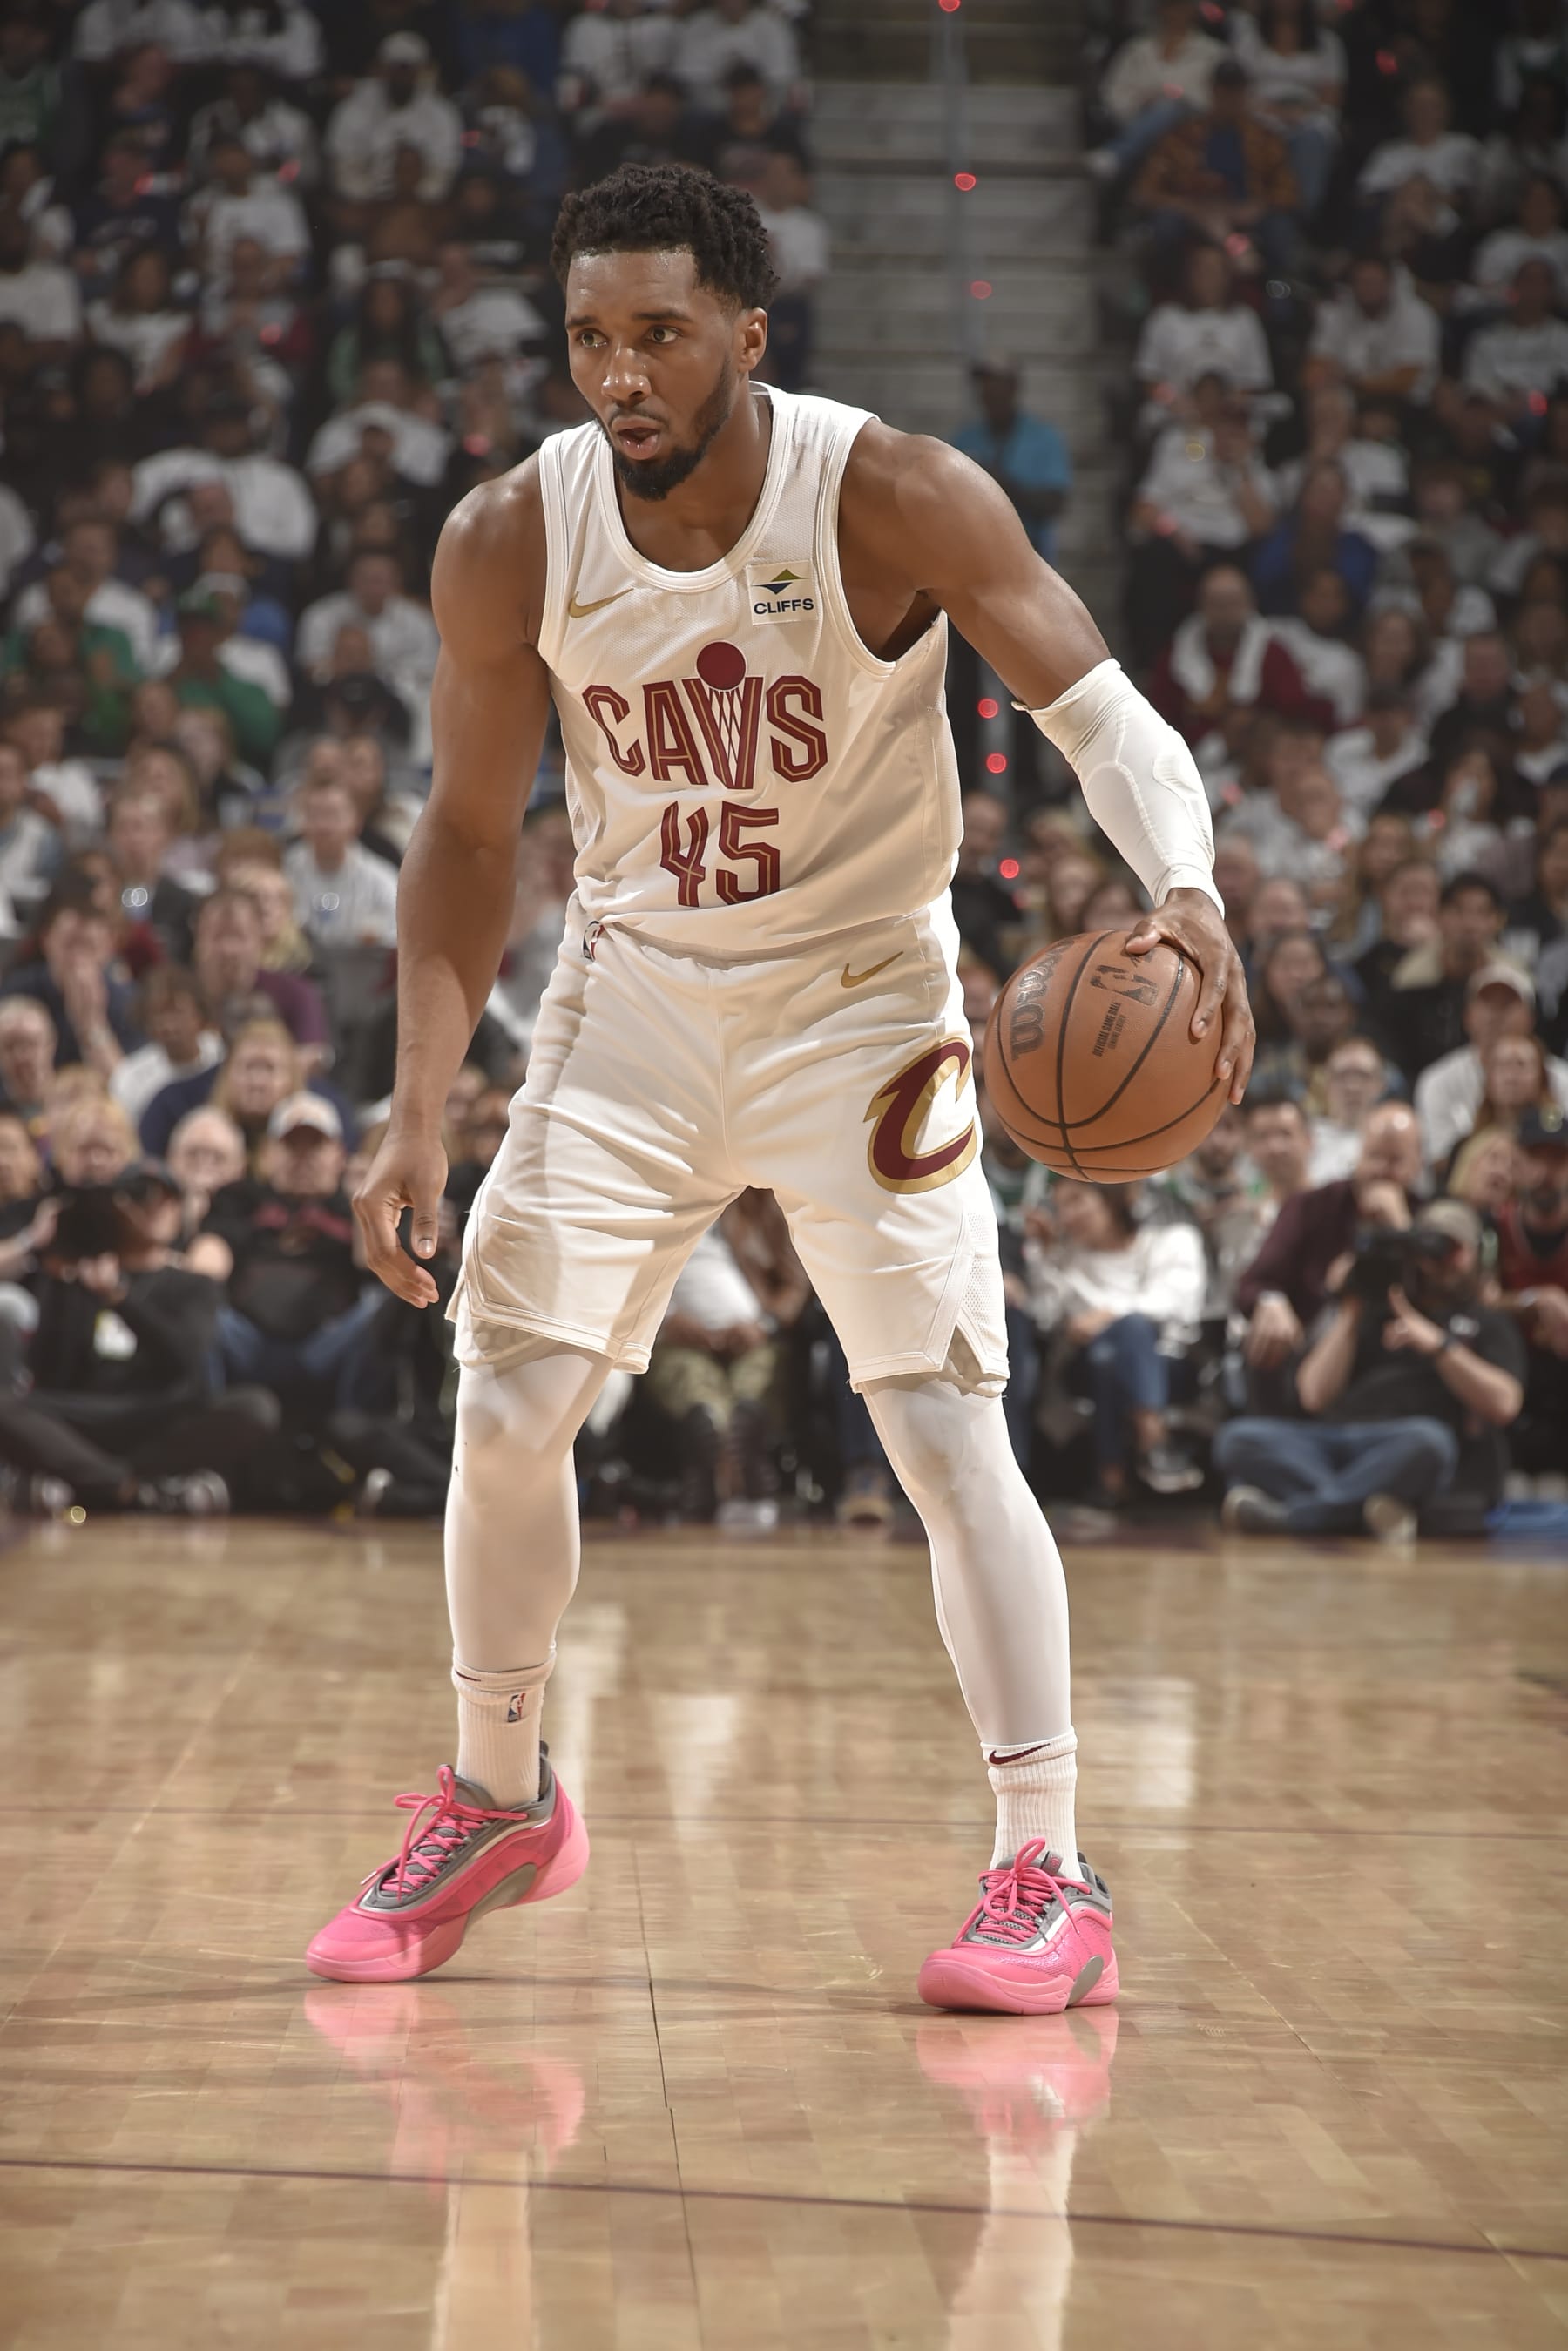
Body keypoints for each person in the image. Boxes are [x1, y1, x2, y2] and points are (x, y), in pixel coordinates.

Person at [306, 166, 1255, 2009]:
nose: (622, 372)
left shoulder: (890, 490)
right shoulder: (511, 535)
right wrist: (419, 1106)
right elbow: (462, 835)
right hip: (635, 992)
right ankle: (500, 1796)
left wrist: (1191, 891)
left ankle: (1046, 1865)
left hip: (866, 998)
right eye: (591, 336)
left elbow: (1103, 714)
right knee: (501, 1399)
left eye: (660, 332)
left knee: (939, 1419)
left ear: (749, 329)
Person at [1218, 1200, 1524, 1539]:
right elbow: (1313, 1395)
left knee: (1431, 1443)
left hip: (1403, 1447)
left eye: (1452, 1248)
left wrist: (1436, 1344)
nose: (1439, 1261)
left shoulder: (1487, 1322)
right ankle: (1361, 1509)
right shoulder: (1374, 1307)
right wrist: (1351, 1308)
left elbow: (1504, 1403)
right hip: (1336, 1441)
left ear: (1474, 1255)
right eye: (1430, 1247)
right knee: (1237, 1439)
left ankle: (1297, 1517)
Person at [1234, 1101, 1425, 1380]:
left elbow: (1441, 1292)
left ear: (1418, 1164)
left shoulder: (1427, 1214)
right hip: (1310, 1349)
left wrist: (1402, 1229)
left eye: (1395, 1160)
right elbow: (1252, 1283)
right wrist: (1270, 1301)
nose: (1381, 1170)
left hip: (1396, 1358)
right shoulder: (1312, 1206)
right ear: (1358, 1154)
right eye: (1373, 1156)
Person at [1493, 1102, 1568, 1471]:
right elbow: (1477, 1302)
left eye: (1557, 1160)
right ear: (1516, 1163)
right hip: (1511, 1368)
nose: (1545, 1173)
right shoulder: (1492, 1225)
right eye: (1535, 1159)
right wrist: (1534, 1300)